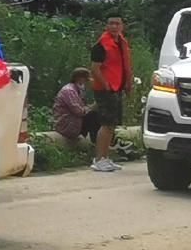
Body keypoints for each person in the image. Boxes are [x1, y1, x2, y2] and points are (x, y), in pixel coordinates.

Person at [89, 13, 134, 172]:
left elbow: (124, 66)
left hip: (116, 88)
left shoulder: (120, 42)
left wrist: (127, 84)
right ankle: (99, 159)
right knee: (106, 124)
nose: (114, 26)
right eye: (111, 23)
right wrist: (106, 85)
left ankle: (105, 157)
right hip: (106, 89)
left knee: (112, 124)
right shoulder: (102, 45)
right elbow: (95, 68)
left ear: (122, 26)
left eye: (117, 23)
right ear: (106, 26)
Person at [51, 67, 97, 145]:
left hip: (73, 121)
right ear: (79, 78)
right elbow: (78, 111)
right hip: (67, 124)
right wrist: (92, 107)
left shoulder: (77, 90)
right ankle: (96, 143)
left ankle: (98, 141)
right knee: (94, 116)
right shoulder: (69, 91)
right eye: (86, 80)